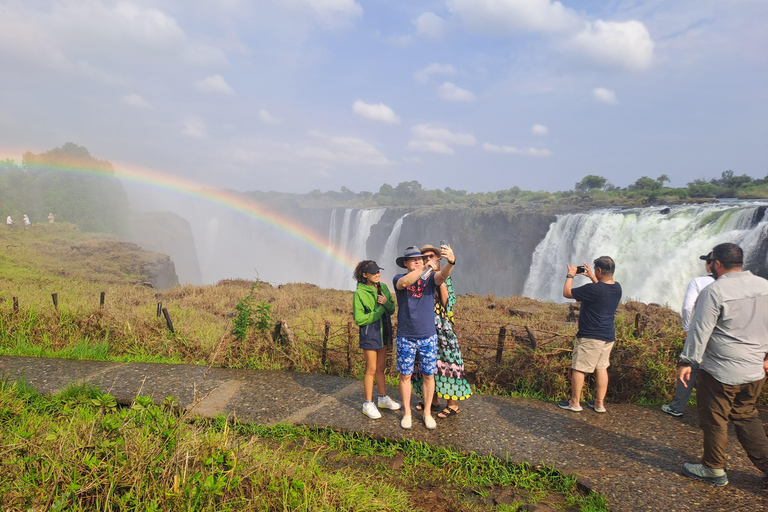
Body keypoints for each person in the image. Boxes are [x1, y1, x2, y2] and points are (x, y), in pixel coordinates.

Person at [678, 243, 768, 486]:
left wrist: (687, 361)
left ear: (716, 263)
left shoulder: (714, 291)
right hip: (756, 369)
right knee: (747, 415)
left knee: (715, 418)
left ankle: (713, 468)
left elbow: (700, 330)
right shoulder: (765, 286)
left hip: (721, 371)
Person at [393, 244, 455, 430]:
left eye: (420, 258)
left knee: (429, 375)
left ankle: (427, 412)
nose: (418, 260)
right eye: (413, 259)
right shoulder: (399, 278)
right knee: (405, 375)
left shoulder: (430, 280)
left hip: (428, 336)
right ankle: (407, 413)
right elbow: (404, 284)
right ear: (406, 263)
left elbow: (442, 276)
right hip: (406, 336)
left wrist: (451, 262)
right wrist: (425, 267)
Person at [412, 244, 472, 418]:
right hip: (425, 327)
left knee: (447, 364)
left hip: (442, 329)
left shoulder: (445, 278)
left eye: (430, 256)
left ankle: (453, 405)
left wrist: (441, 279)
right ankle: (433, 401)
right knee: (429, 365)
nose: (427, 259)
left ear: (438, 258)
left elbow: (448, 304)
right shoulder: (422, 278)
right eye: (423, 258)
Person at [558, 256, 622, 413]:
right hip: (608, 336)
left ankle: (574, 402)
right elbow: (602, 288)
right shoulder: (617, 288)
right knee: (601, 368)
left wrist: (571, 274)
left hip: (590, 336)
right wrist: (594, 278)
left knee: (579, 368)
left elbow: (567, 293)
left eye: (595, 270)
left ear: (599, 270)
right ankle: (599, 404)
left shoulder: (592, 289)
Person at [661, 253, 715, 417]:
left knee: (689, 368)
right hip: (723, 337)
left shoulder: (699, 282)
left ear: (710, 264)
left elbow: (686, 307)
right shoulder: (735, 285)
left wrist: (686, 328)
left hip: (699, 332)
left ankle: (677, 407)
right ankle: (715, 411)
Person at [352, 260, 400, 419]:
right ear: (364, 275)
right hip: (370, 333)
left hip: (384, 332)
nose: (377, 274)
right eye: (373, 272)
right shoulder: (360, 293)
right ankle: (367, 403)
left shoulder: (384, 288)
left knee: (380, 368)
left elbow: (392, 309)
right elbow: (359, 319)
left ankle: (382, 398)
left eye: (378, 271)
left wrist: (386, 303)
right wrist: (380, 310)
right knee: (371, 369)